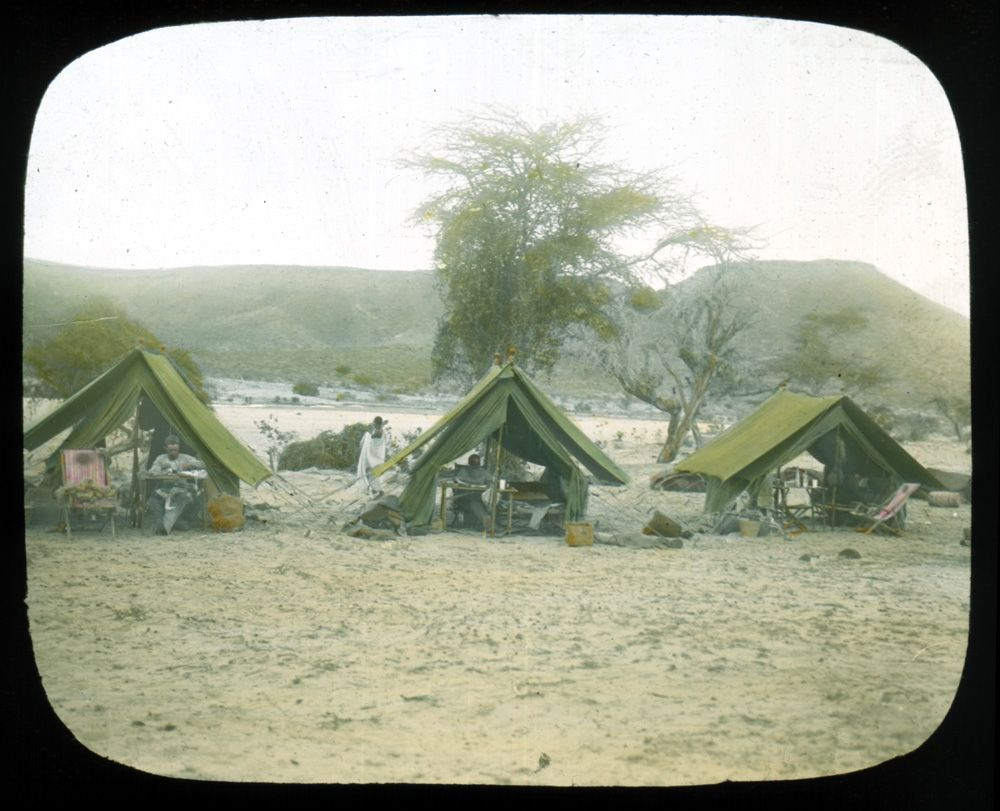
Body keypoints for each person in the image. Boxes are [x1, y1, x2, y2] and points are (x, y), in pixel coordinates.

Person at [142, 435, 206, 534]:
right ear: (165, 449)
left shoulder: (185, 458)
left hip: (181, 488)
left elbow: (203, 464)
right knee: (152, 501)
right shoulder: (161, 459)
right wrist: (157, 470)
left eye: (175, 450)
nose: (173, 453)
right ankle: (160, 520)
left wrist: (190, 465)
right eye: (170, 450)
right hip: (165, 489)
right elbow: (153, 470)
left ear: (179, 448)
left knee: (175, 506)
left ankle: (164, 528)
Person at [453, 453, 494, 529]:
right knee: (475, 505)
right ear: (469, 463)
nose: (475, 468)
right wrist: (461, 483)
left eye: (477, 466)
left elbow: (491, 481)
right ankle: (486, 520)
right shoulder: (463, 471)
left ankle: (492, 522)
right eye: (473, 465)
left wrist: (489, 484)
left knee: (491, 502)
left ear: (479, 464)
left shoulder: (483, 472)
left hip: (479, 498)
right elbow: (456, 479)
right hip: (464, 498)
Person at [357, 416, 393, 495]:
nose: (373, 424)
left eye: (374, 423)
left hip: (376, 455)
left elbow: (371, 438)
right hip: (378, 455)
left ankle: (378, 490)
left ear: (376, 423)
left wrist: (367, 435)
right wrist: (383, 425)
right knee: (373, 472)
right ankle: (375, 488)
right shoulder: (380, 430)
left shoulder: (378, 432)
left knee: (374, 471)